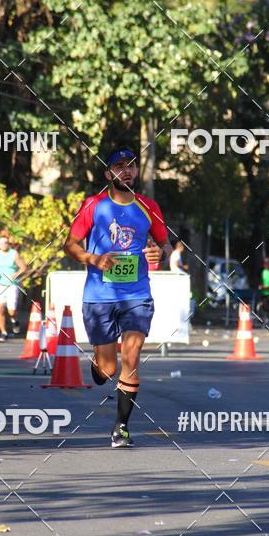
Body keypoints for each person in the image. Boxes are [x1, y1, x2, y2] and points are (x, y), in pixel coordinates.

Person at [63, 145, 172, 449]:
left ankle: (121, 427)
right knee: (108, 370)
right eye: (120, 166)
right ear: (107, 173)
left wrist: (158, 252)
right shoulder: (94, 205)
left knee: (133, 353)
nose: (127, 171)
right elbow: (69, 245)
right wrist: (92, 258)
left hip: (137, 293)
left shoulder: (148, 206)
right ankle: (99, 366)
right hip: (99, 296)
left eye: (132, 165)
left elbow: (167, 246)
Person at [0, 235, 24, 341]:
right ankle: (3, 332)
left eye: (5, 243)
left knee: (11, 311)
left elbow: (23, 267)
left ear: (8, 244)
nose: (3, 245)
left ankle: (14, 320)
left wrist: (16, 274)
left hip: (11, 285)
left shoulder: (14, 253)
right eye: (1, 243)